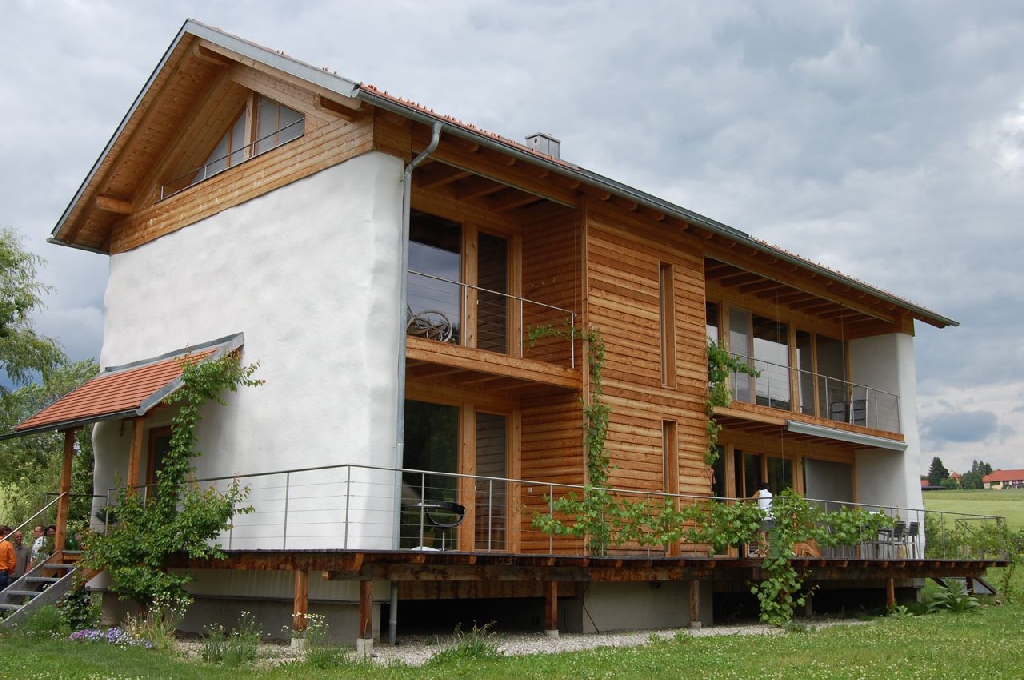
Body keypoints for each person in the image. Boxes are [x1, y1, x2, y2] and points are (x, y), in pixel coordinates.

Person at [0, 526, 16, 590]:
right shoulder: (7, 544)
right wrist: (10, 571)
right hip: (2, 572)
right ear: (4, 533)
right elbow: (12, 561)